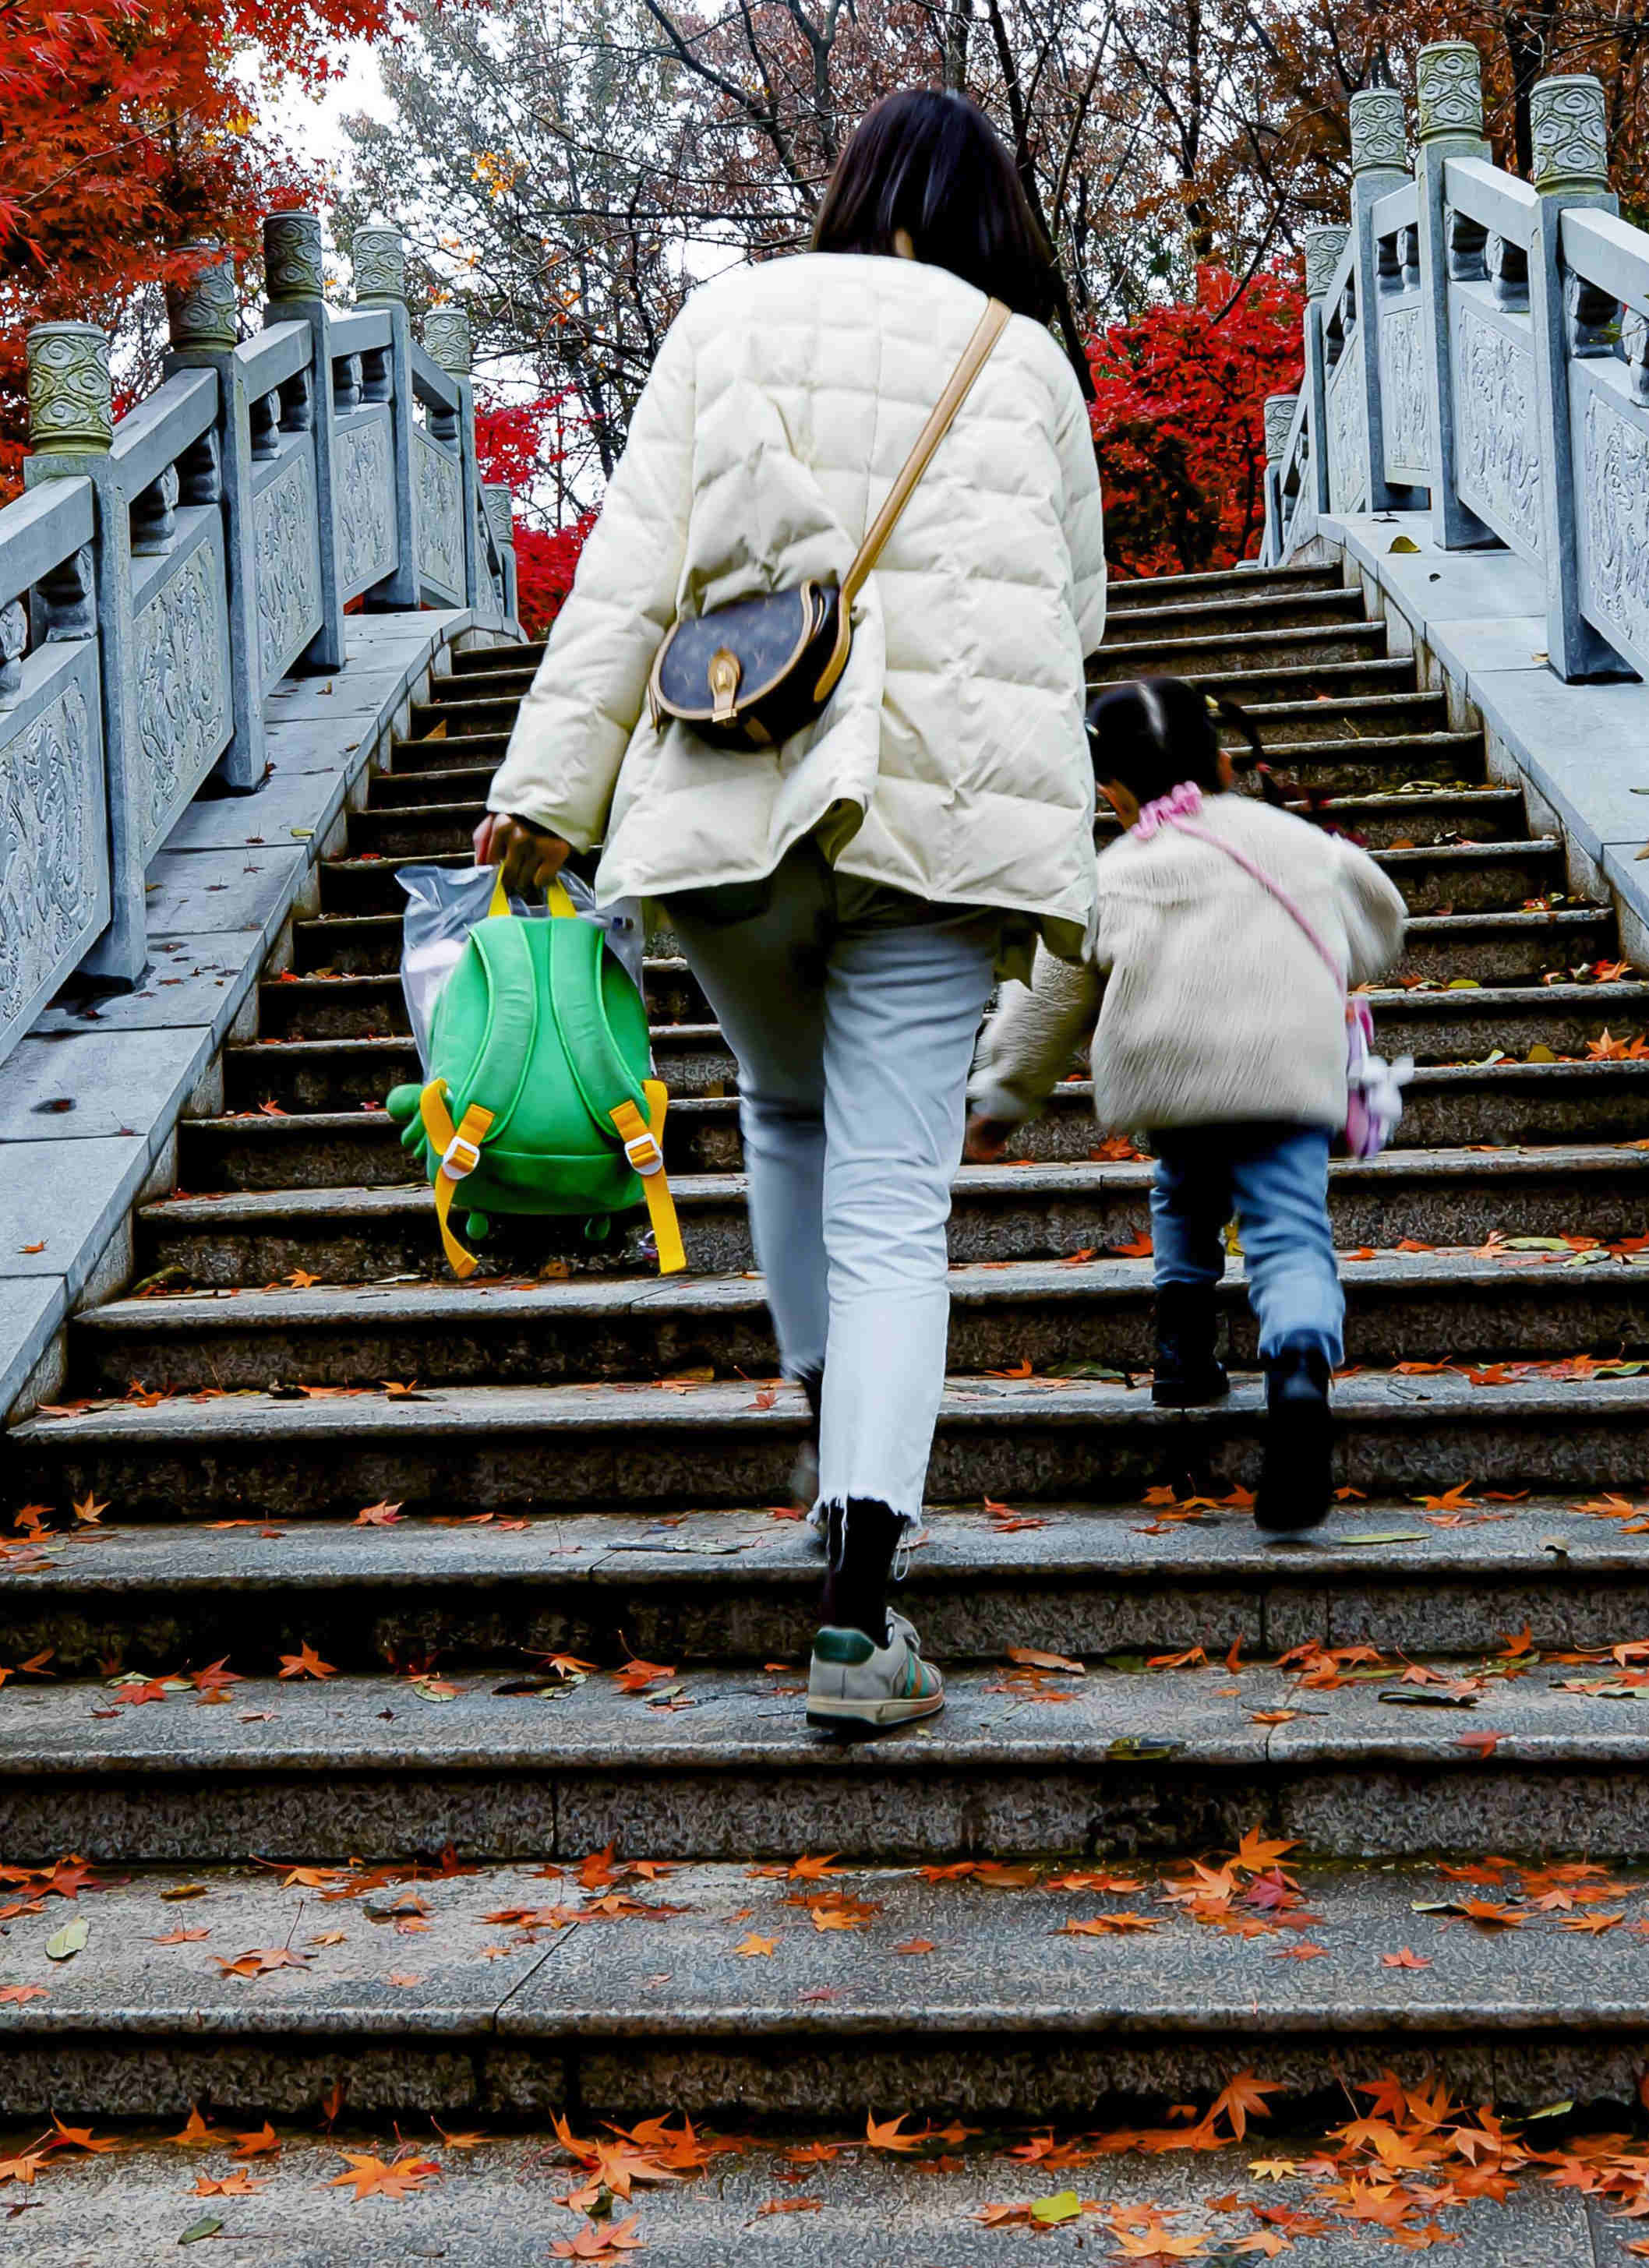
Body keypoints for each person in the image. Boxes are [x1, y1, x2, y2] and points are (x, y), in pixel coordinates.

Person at [473, 89, 1107, 1734]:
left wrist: (544, 795)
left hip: (733, 787)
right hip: (943, 818)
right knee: (894, 1203)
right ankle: (859, 1613)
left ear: (854, 190)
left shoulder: (726, 318)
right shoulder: (1027, 361)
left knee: (779, 1109)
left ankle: (827, 1445)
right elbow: (1077, 612)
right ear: (989, 215)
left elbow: (629, 571)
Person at [963, 678, 1405, 1531]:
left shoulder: (1113, 873)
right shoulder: (1301, 845)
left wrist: (1003, 1098)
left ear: (1112, 794)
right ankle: (1299, 1376)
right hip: (1283, 1076)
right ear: (1226, 764)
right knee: (1288, 1233)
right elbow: (1380, 920)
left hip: (1174, 1085)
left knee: (1183, 1193)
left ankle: (1183, 1355)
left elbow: (1047, 1000)